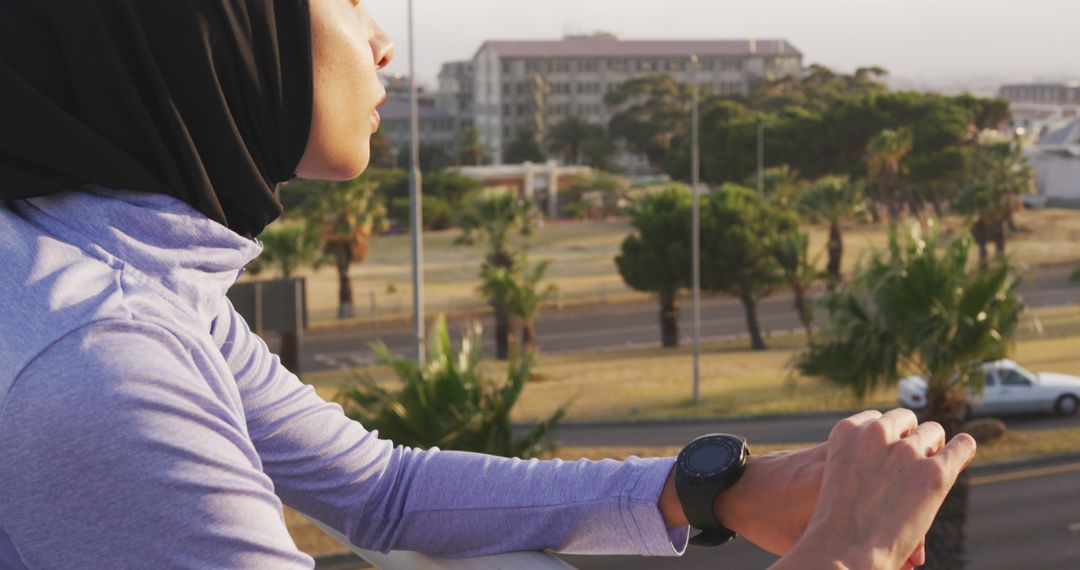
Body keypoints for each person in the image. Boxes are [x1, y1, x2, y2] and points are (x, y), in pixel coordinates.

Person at [0, 1, 975, 568]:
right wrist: (846, 555)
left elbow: (382, 490)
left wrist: (708, 489)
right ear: (217, 29)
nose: (379, 39)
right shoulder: (103, 362)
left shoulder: (117, 274)